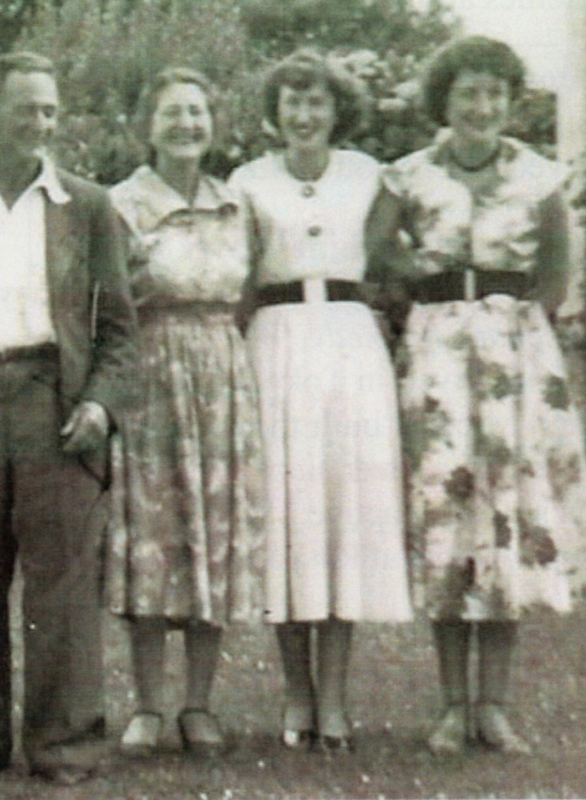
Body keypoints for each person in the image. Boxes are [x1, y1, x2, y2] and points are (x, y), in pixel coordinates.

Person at [368, 35, 586, 756]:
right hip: (439, 355)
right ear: (444, 99)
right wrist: (428, 286)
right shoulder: (405, 176)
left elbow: (558, 277)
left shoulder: (540, 177)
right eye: (468, 93)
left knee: (504, 516)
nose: (481, 107)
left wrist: (511, 330)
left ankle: (494, 706)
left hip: (515, 361)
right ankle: (449, 706)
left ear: (509, 102)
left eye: (494, 95)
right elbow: (377, 258)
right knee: (448, 517)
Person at [0, 51, 136, 786]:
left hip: (55, 401)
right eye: (26, 109)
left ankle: (64, 746)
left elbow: (119, 331)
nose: (39, 124)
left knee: (63, 589)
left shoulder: (88, 204)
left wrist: (101, 404)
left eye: (49, 111)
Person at [229, 50, 412, 753]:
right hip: (274, 345)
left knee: (339, 516)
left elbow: (389, 262)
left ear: (338, 111)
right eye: (292, 104)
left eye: (317, 104)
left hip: (347, 345)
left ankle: (334, 699)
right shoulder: (247, 182)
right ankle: (295, 693)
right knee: (287, 512)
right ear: (275, 115)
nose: (304, 116)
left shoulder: (372, 176)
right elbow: (241, 279)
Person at [104, 67, 264, 759]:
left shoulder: (238, 204)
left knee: (214, 538)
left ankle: (199, 705)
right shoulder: (121, 205)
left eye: (197, 113)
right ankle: (146, 706)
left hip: (222, 377)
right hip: (151, 380)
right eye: (171, 113)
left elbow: (248, 294)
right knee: (153, 539)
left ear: (213, 124)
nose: (186, 125)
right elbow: (109, 302)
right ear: (147, 125)